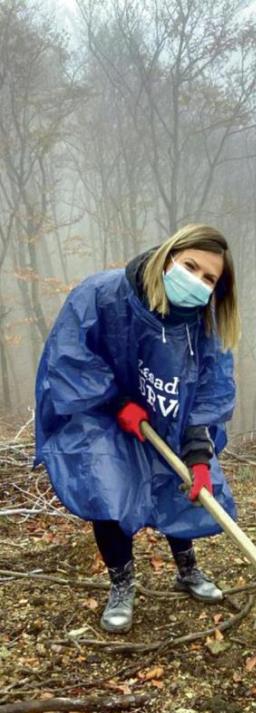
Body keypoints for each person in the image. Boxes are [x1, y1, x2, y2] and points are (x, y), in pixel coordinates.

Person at [35, 224, 240, 633]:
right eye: (191, 266)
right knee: (107, 487)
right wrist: (115, 401)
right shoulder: (103, 294)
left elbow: (208, 389)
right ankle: (122, 583)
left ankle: (187, 569)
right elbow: (70, 355)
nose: (197, 281)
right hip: (98, 409)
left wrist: (198, 454)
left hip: (164, 409)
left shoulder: (205, 324)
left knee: (177, 483)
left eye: (209, 278)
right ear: (168, 258)